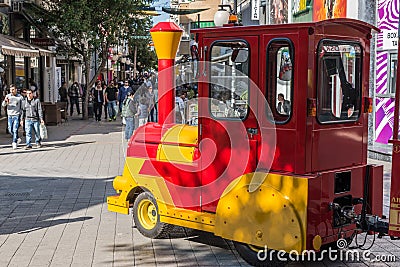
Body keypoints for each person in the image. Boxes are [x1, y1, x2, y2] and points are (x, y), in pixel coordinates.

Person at [1, 84, 23, 149]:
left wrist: (21, 116)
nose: (12, 91)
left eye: (13, 89)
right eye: (11, 90)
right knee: (10, 129)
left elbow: (22, 107)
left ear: (16, 90)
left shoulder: (20, 97)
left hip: (16, 115)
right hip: (10, 115)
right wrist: (5, 101)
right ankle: (17, 138)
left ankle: (14, 142)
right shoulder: (8, 96)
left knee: (15, 129)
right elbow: (3, 105)